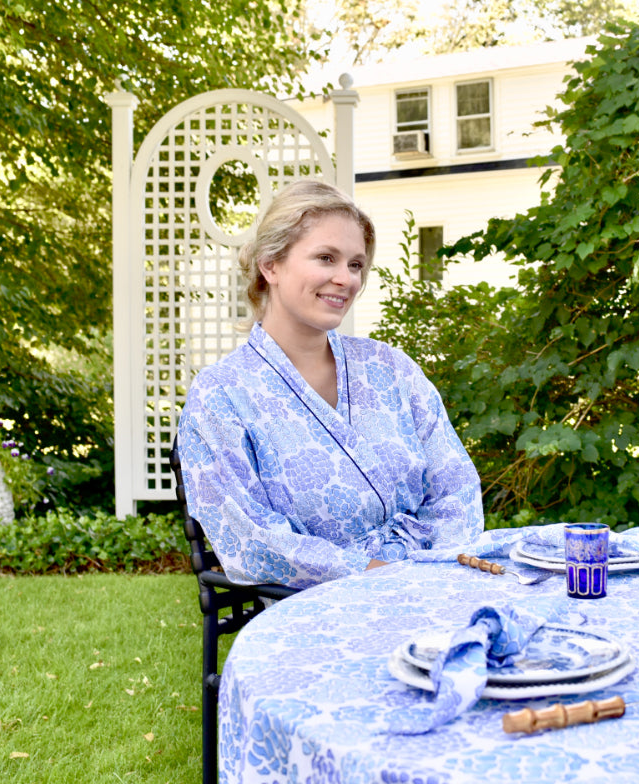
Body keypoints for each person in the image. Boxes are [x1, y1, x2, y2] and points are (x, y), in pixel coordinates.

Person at [176, 180, 483, 588]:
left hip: (435, 579)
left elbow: (456, 485)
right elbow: (251, 538)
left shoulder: (390, 368)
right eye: (326, 258)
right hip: (317, 599)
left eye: (356, 265)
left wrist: (439, 569)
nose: (346, 279)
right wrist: (379, 577)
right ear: (270, 265)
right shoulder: (220, 396)